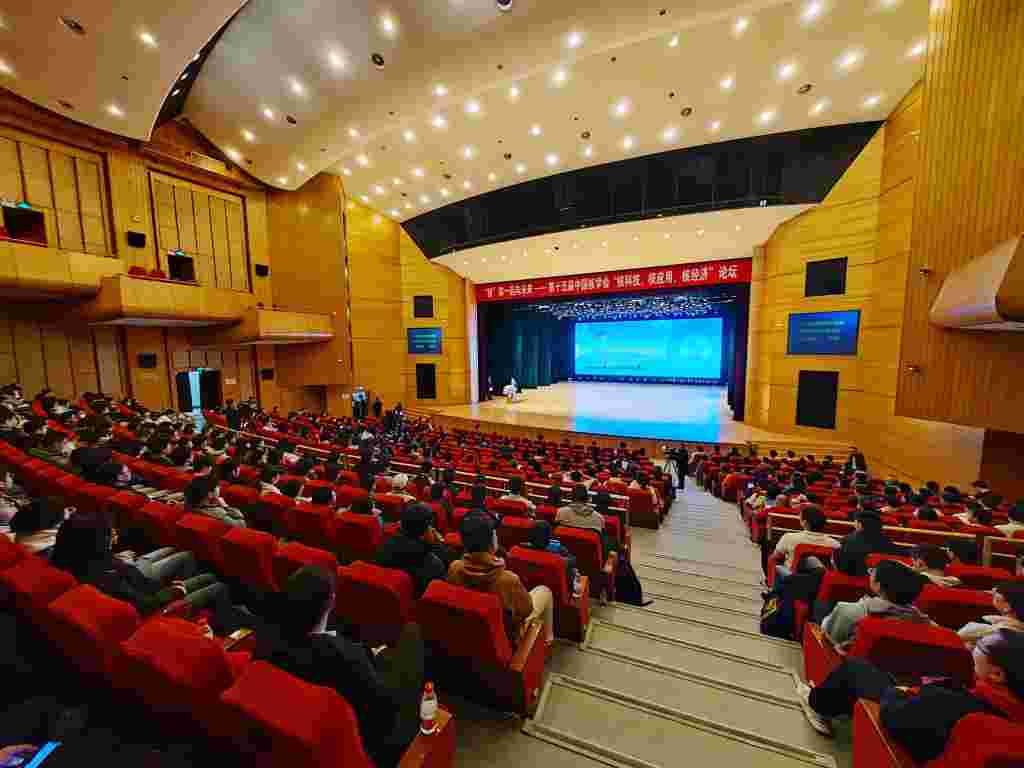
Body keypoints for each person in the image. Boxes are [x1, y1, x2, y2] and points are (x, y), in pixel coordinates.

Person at [258, 565, 424, 768]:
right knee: (412, 634)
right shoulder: (347, 657)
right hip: (366, 744)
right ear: (332, 601)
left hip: (299, 734)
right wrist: (372, 659)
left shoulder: (266, 643)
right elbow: (384, 712)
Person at [795, 629, 1024, 756]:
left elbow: (894, 715)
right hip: (930, 724)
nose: (973, 647)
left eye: (980, 646)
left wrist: (899, 692)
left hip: (907, 731)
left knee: (855, 668)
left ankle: (817, 704)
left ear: (997, 674)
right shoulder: (1009, 708)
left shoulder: (961, 708)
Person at [50, 510, 234, 622]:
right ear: (96, 542)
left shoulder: (71, 557)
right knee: (218, 585)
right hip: (156, 608)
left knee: (208, 576)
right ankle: (226, 628)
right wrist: (175, 591)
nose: (114, 535)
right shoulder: (106, 577)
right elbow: (145, 604)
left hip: (145, 587)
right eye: (109, 534)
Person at [448, 512, 554, 644]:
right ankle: (548, 640)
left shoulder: (454, 568)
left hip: (470, 632)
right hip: (504, 638)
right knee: (544, 591)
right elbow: (526, 611)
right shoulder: (508, 580)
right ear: (492, 542)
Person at [821, 559, 930, 648]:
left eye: (872, 571)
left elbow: (828, 640)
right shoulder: (926, 623)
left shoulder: (848, 611)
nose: (870, 573)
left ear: (878, 586)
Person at [375, 503, 453, 597]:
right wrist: (437, 544)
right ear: (426, 532)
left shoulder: (384, 546)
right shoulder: (434, 565)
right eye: (429, 527)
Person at [771, 505, 839, 581]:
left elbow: (776, 556)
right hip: (821, 582)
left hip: (793, 580)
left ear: (804, 522)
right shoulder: (835, 544)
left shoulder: (789, 537)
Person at [834, 509, 901, 577]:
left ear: (859, 525)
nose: (854, 524)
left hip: (851, 577)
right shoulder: (886, 541)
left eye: (855, 522)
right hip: (878, 577)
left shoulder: (848, 539)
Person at [521, 520, 579, 595]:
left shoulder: (522, 549)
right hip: (555, 592)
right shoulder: (558, 552)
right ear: (549, 536)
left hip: (530, 587)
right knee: (573, 570)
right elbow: (572, 560)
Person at [959, 582, 1024, 647]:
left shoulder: (996, 630)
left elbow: (962, 634)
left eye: (996, 599)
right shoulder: (1016, 625)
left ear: (1007, 607)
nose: (992, 598)